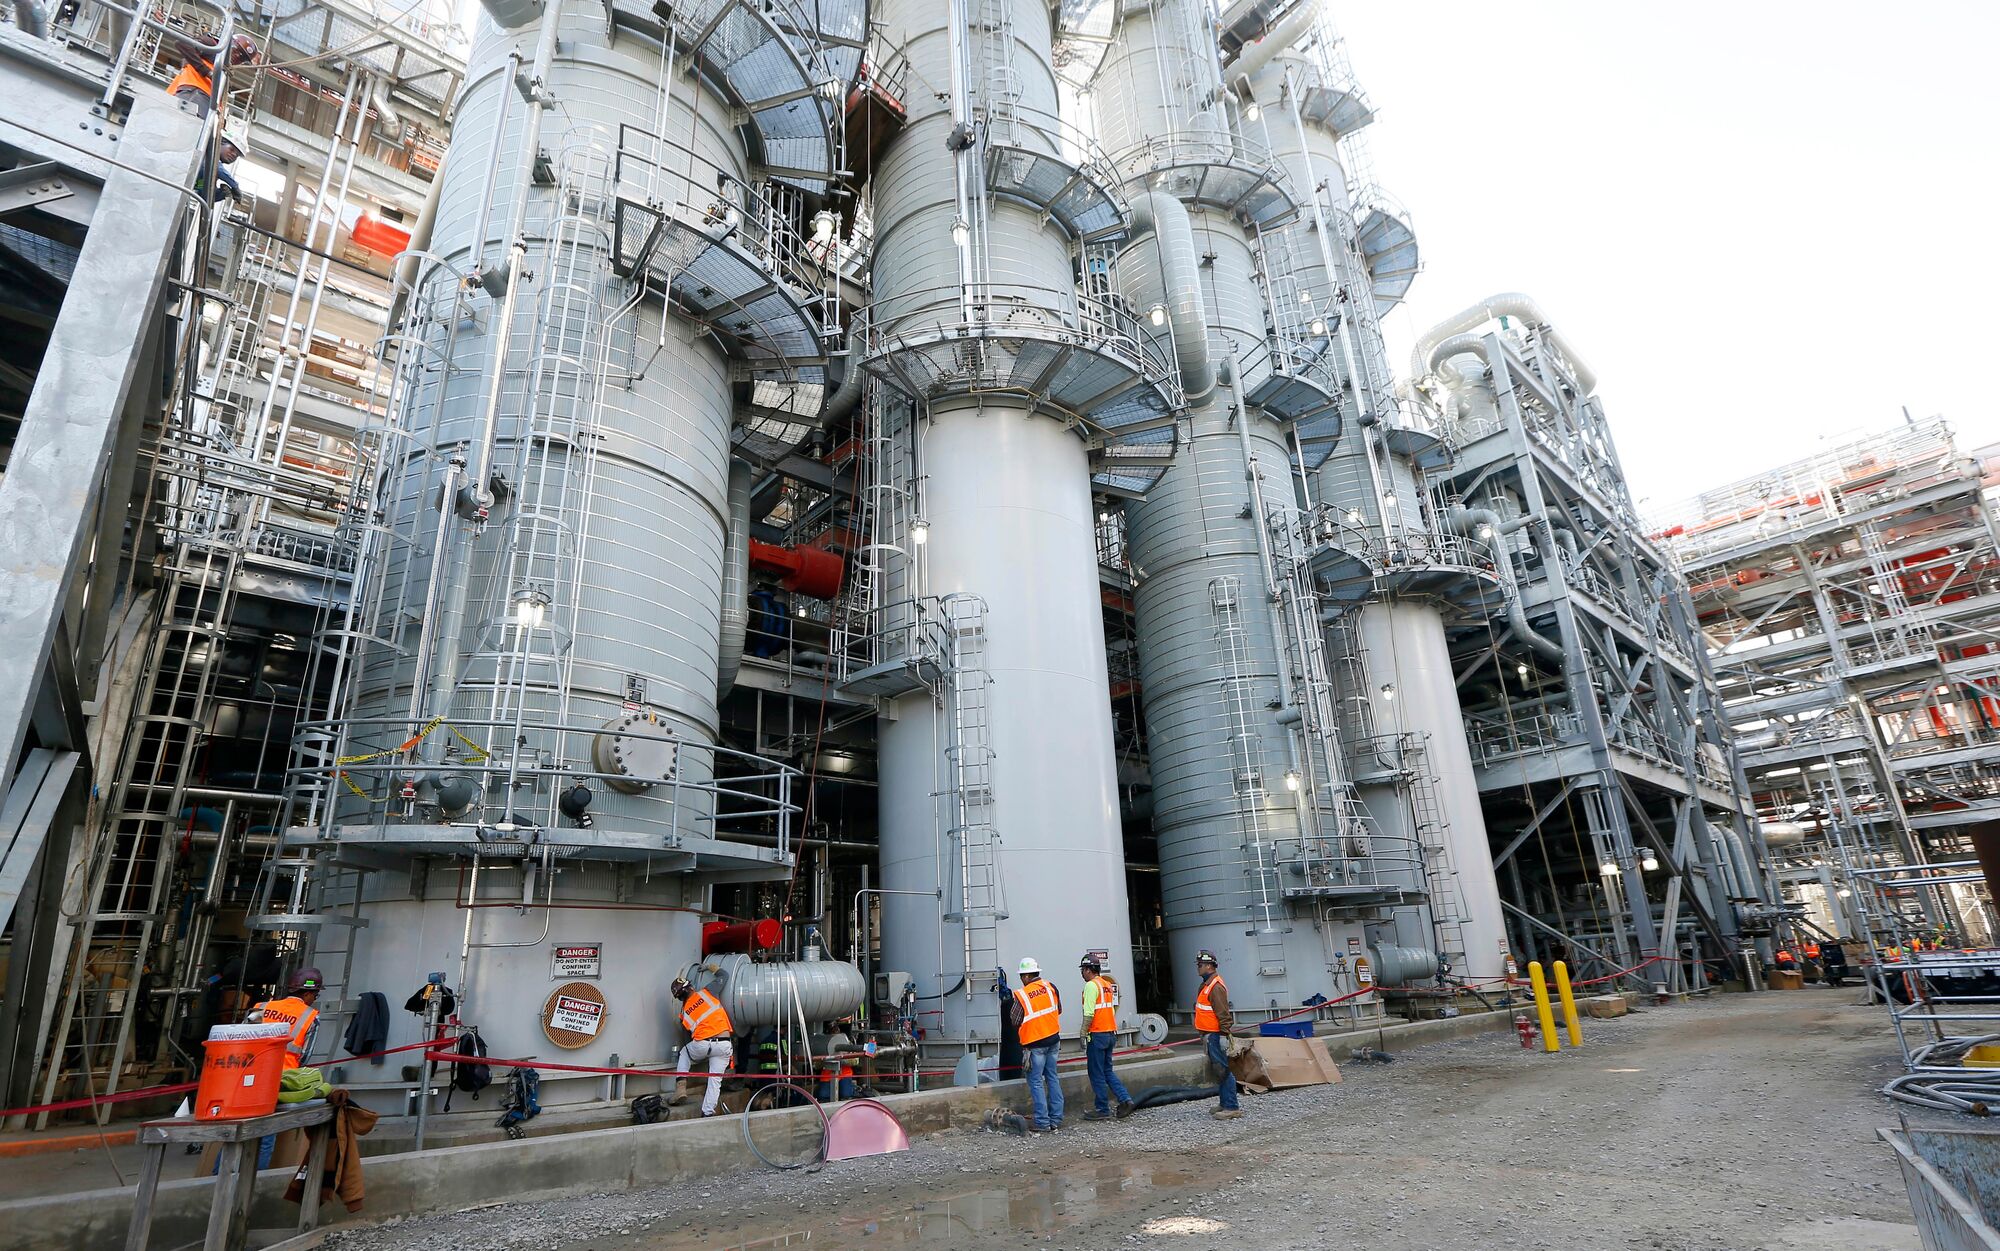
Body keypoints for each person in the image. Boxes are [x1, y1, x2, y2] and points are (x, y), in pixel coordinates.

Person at [1006, 956, 1063, 1133]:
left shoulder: (1022, 995)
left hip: (1035, 1044)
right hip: (1053, 1040)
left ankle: (1043, 1122)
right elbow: (1058, 1009)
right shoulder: (1050, 987)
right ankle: (1056, 1119)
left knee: (1036, 1082)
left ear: (1025, 976)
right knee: (1052, 1078)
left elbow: (1014, 1019)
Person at [1078, 953, 1133, 1121]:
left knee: (1096, 1073)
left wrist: (1082, 1033)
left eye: (1083, 970)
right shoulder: (1106, 985)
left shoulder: (1090, 986)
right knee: (1107, 1071)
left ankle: (1102, 1109)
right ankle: (1125, 1099)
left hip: (1097, 1034)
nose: (1082, 973)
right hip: (1110, 1033)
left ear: (1088, 970)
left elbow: (1089, 1014)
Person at [670, 977, 734, 1117]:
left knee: (685, 1053)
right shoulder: (708, 992)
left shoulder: (684, 1013)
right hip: (724, 1044)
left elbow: (688, 1038)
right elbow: (724, 975)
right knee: (715, 1080)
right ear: (691, 987)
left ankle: (681, 1088)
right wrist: (712, 968)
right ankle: (707, 1113)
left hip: (702, 1044)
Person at [1193, 950, 1240, 1120]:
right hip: (1209, 1034)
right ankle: (1225, 1102)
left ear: (1209, 966)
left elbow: (1223, 1013)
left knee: (1223, 1069)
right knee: (1219, 1070)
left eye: (1200, 965)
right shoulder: (1206, 985)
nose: (1198, 968)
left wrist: (1223, 1035)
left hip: (1215, 1035)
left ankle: (1231, 1106)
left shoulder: (1215, 986)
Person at [167, 33, 258, 118]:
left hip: (207, 103)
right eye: (237, 51)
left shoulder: (225, 70)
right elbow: (182, 43)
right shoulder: (213, 47)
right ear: (231, 44)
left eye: (242, 58)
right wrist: (207, 72)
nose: (238, 56)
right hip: (195, 93)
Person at [248, 967, 322, 1070]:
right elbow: (305, 1055)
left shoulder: (260, 1007)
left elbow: (244, 1039)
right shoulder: (311, 1016)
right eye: (315, 996)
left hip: (252, 1068)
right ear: (307, 994)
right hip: (284, 1075)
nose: (314, 999)